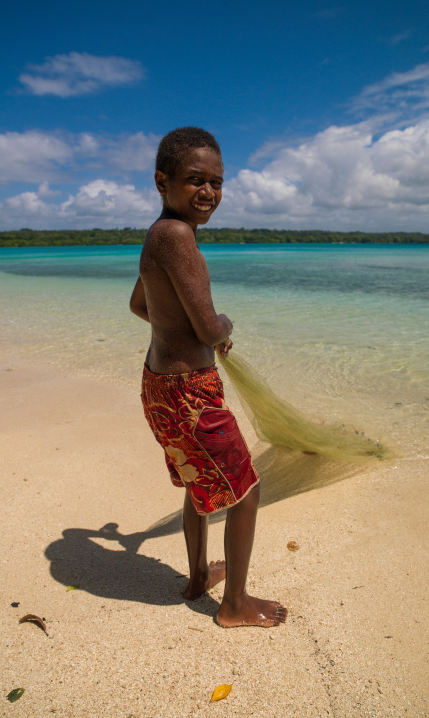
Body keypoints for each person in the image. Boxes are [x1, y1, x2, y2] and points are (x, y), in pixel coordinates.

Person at [130, 127, 287, 628]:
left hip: (159, 387)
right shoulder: (177, 236)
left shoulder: (159, 235)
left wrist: (180, 331)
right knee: (245, 490)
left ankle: (198, 577)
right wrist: (223, 328)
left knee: (199, 484)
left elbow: (139, 305)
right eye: (196, 180)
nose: (209, 192)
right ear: (163, 181)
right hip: (190, 395)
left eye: (217, 183)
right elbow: (207, 324)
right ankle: (235, 605)